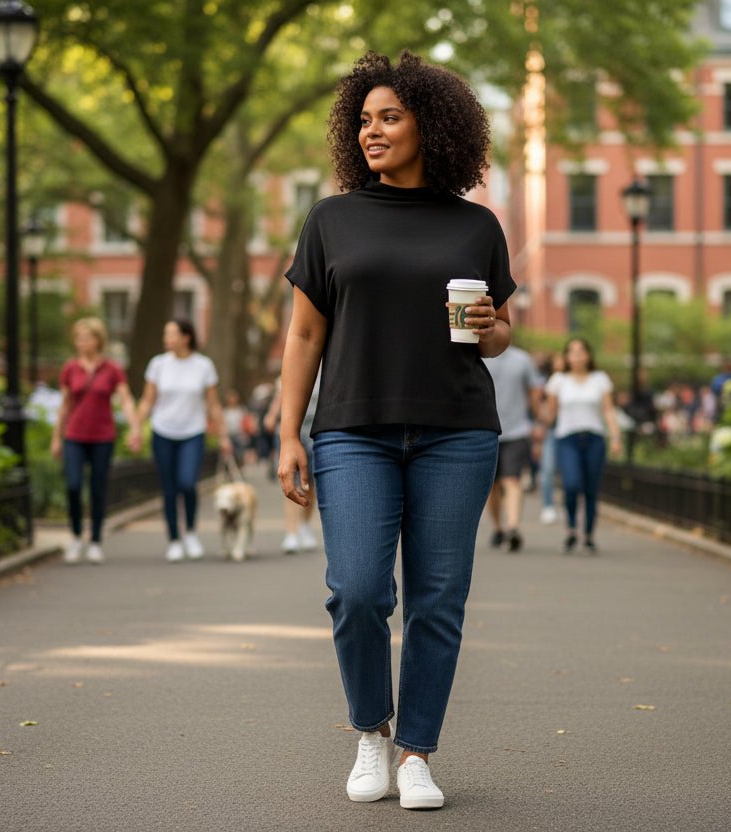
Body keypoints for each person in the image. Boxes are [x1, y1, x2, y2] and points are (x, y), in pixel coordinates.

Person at [275, 51, 515, 811]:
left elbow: (499, 335)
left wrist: (490, 326)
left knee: (437, 601)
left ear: (429, 127)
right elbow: (304, 335)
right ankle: (370, 733)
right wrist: (287, 433)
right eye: (364, 120)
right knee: (356, 591)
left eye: (389, 117)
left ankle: (416, 753)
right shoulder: (332, 220)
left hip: (456, 432)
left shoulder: (477, 225)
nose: (371, 131)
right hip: (353, 430)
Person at [136, 318, 233, 562]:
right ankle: (174, 540)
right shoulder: (158, 364)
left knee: (188, 483)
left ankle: (190, 532)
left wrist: (223, 436)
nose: (166, 338)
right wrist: (136, 428)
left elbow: (213, 404)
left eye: (171, 334)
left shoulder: (203, 365)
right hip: (163, 432)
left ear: (186, 337)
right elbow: (147, 400)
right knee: (169, 488)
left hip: (193, 432)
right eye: (165, 334)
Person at [50, 317, 141, 564]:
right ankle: (76, 536)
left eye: (86, 338)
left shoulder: (112, 369)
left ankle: (96, 541)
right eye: (78, 338)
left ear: (98, 340)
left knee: (98, 489)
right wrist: (56, 437)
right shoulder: (70, 368)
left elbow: (126, 399)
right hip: (74, 436)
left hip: (102, 437)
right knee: (73, 486)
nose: (81, 342)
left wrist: (135, 429)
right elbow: (64, 405)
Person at [540, 338, 623, 554]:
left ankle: (588, 534)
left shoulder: (600, 379)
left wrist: (615, 436)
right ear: (566, 356)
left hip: (594, 438)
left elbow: (608, 409)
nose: (577, 356)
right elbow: (550, 414)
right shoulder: (558, 380)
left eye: (581, 351)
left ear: (588, 355)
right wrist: (539, 431)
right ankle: (571, 528)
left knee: (591, 488)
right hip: (567, 439)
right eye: (572, 352)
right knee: (571, 484)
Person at [482, 343, 542, 552]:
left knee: (512, 479)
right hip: (486, 428)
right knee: (492, 486)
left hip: (517, 430)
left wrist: (538, 423)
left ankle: (513, 527)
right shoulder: (479, 356)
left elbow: (534, 393)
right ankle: (498, 527)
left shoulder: (522, 360)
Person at [263, 374, 322, 554]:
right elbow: (283, 395)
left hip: (316, 431)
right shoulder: (294, 364)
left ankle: (304, 526)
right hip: (292, 432)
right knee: (291, 483)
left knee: (310, 485)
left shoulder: (329, 369)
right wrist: (272, 415)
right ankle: (291, 533)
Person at [537, 351, 565, 524]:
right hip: (553, 429)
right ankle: (548, 505)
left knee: (566, 471)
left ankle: (564, 505)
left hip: (569, 431)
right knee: (547, 469)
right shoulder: (551, 381)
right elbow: (545, 407)